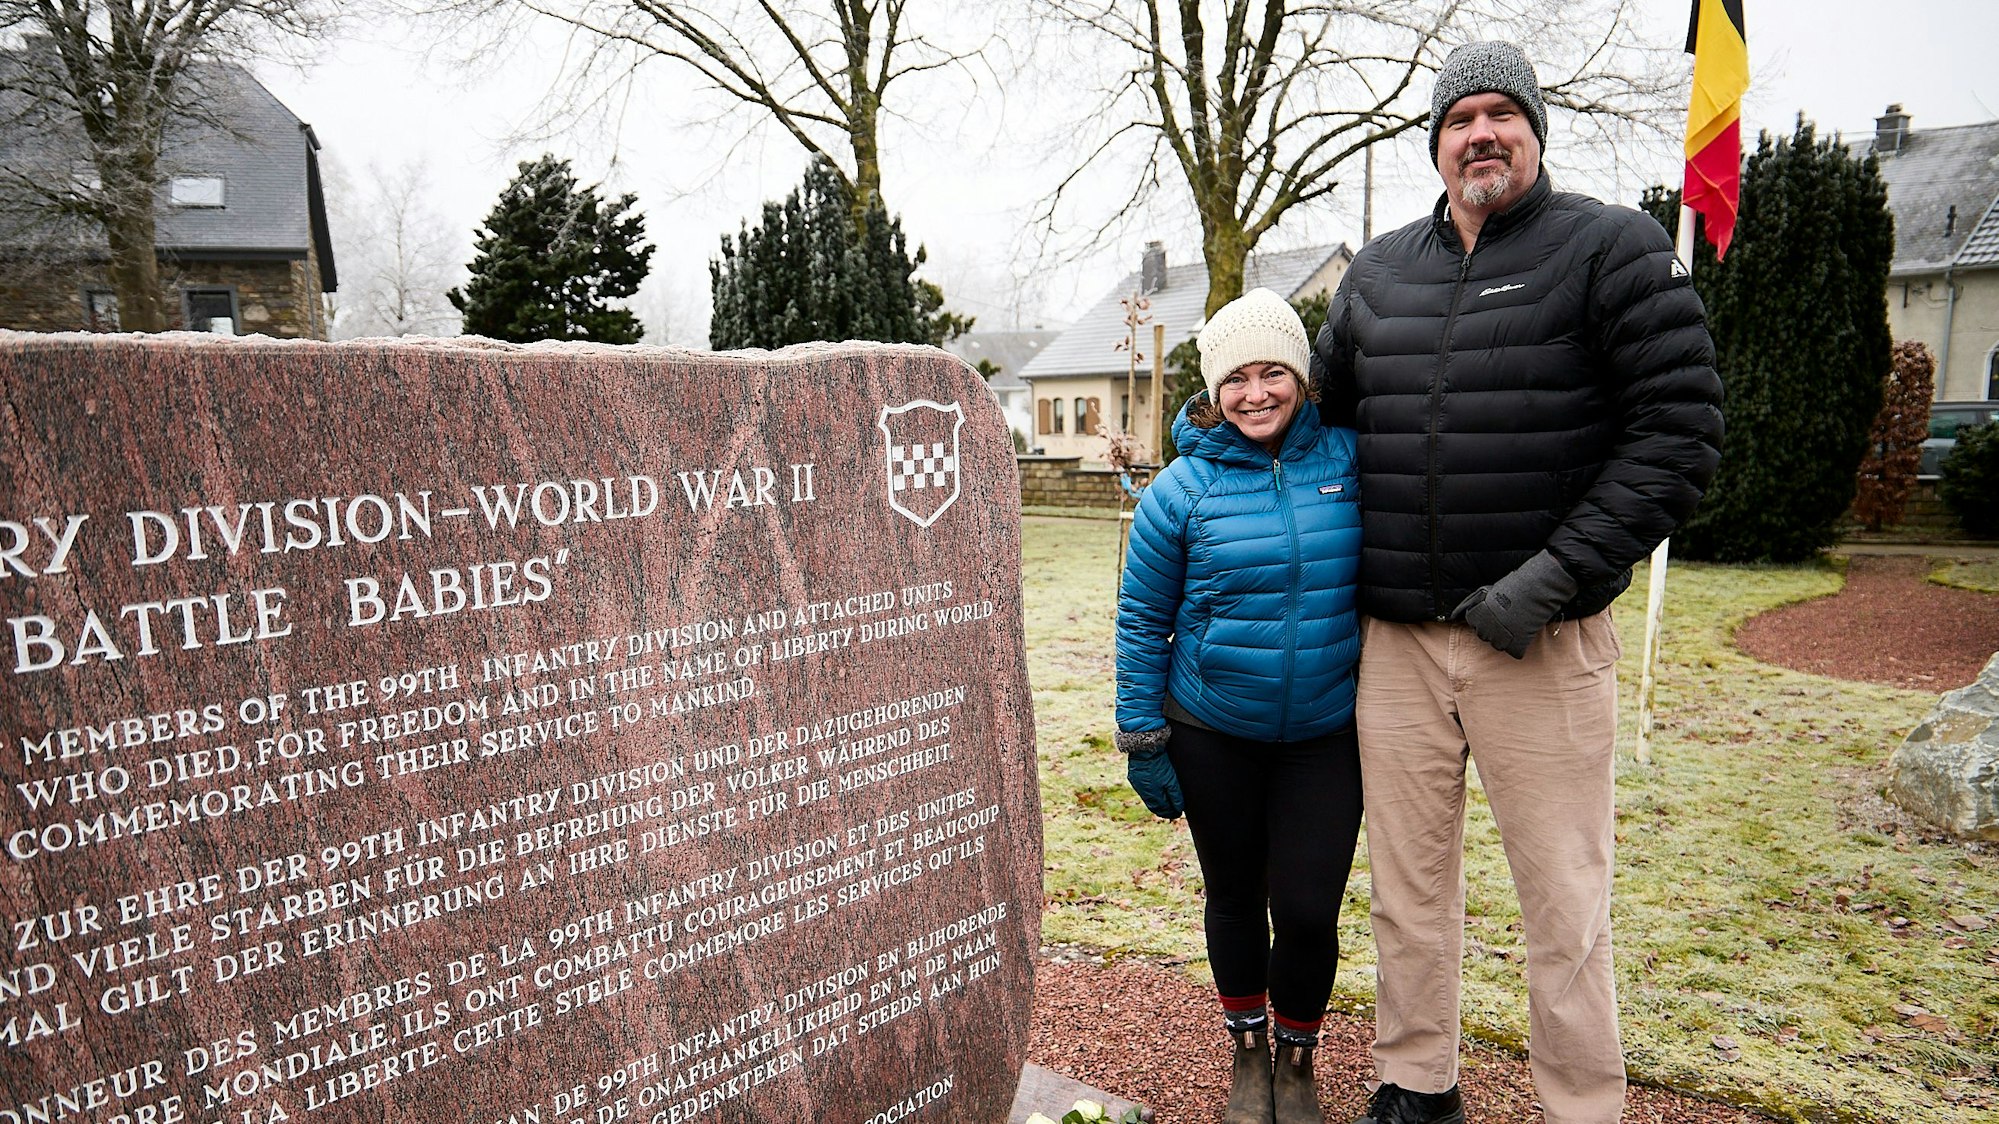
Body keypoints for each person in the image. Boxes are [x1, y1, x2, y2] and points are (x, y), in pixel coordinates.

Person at [1310, 41, 1725, 1124]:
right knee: (1406, 889)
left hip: (1540, 641)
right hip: (1396, 645)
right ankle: (1415, 1079)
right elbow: (1320, 423)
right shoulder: (1377, 271)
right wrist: (1214, 428)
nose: (1479, 133)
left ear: (1534, 131)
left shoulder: (1612, 249)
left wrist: (1551, 578)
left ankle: (1580, 1102)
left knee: (1564, 900)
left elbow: (1677, 435)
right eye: (1459, 118)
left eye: (1501, 114)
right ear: (1435, 142)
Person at [1116, 287, 1365, 1124]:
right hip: (1212, 731)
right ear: (1212, 391)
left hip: (1324, 735)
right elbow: (1142, 619)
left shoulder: (1348, 464)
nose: (1255, 393)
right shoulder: (1178, 491)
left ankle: (1297, 1062)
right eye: (1236, 380)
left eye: (1273, 374)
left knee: (1304, 907)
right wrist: (1143, 739)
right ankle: (1248, 1054)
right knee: (1233, 896)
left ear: (1300, 377)